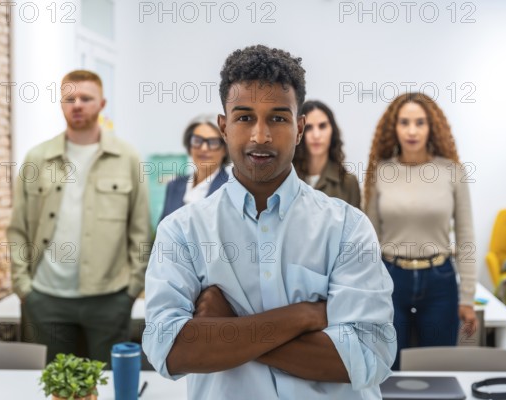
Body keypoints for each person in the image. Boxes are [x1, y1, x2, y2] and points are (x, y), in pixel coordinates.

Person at [143, 45, 396, 399]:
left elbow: (367, 357)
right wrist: (304, 316)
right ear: (224, 127)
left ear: (299, 128)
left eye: (277, 118)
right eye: (244, 117)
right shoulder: (181, 231)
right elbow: (169, 350)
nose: (260, 136)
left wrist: (227, 328)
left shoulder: (346, 227)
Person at [7, 70, 151, 365]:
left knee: (109, 384)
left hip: (109, 298)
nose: (78, 105)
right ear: (61, 104)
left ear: (102, 103)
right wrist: (24, 288)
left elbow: (140, 231)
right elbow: (17, 228)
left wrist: (132, 289)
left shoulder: (127, 158)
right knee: (56, 386)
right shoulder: (37, 158)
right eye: (70, 98)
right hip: (46, 298)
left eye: (86, 98)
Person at [364, 92, 477, 370]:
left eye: (420, 122)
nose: (412, 130)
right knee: (388, 367)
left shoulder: (452, 172)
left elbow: (465, 236)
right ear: (394, 127)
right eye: (404, 122)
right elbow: (368, 239)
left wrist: (468, 298)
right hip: (390, 279)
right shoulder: (381, 172)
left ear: (431, 127)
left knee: (437, 367)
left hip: (440, 281)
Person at [159, 115, 229, 221]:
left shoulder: (231, 189)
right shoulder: (174, 185)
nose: (204, 148)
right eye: (197, 140)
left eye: (213, 142)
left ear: (225, 149)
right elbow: (161, 232)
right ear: (189, 146)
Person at [293, 100, 361, 207]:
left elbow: (357, 223)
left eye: (322, 126)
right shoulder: (285, 178)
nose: (316, 135)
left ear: (332, 131)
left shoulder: (348, 183)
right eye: (309, 127)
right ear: (299, 131)